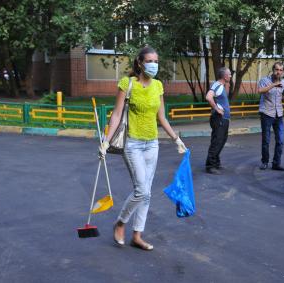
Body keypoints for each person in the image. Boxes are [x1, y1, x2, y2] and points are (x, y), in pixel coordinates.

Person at [98, 46, 187, 251]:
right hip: (133, 144)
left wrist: (176, 139)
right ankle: (120, 223)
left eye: (156, 61)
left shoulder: (158, 86)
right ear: (139, 63)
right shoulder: (127, 84)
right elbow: (117, 115)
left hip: (152, 144)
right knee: (141, 190)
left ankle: (137, 235)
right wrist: (105, 141)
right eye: (150, 61)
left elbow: (161, 116)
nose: (154, 65)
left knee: (147, 193)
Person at [258, 62, 284, 171]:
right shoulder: (264, 80)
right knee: (266, 140)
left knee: (280, 140)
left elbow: (282, 98)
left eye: (281, 70)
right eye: (277, 69)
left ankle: (276, 164)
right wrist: (274, 85)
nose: (278, 72)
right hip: (266, 113)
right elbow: (260, 91)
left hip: (279, 114)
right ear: (273, 70)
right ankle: (265, 162)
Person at [205, 67, 232, 175]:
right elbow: (208, 97)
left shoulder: (221, 86)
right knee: (217, 141)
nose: (230, 76)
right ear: (224, 76)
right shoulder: (217, 85)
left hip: (224, 119)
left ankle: (215, 162)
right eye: (229, 74)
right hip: (218, 118)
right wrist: (217, 109)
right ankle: (210, 166)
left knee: (221, 140)